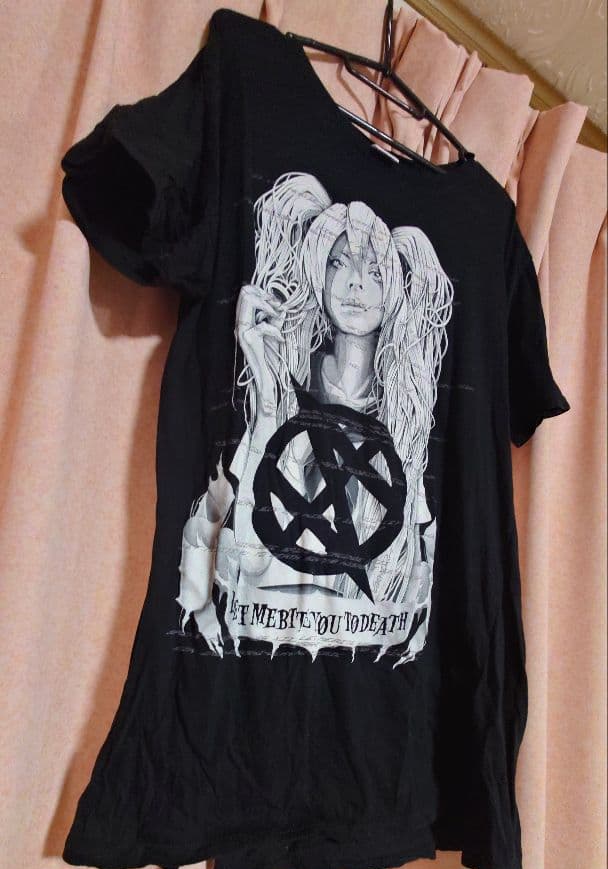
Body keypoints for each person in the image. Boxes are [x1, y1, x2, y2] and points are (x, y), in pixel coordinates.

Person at [176, 171, 454, 664]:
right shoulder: (287, 388)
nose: (355, 284)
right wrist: (267, 401)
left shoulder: (405, 425)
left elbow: (408, 570)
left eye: (374, 272)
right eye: (339, 264)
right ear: (318, 274)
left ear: (395, 288)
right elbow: (248, 555)